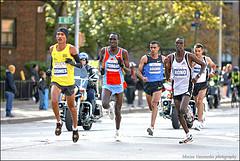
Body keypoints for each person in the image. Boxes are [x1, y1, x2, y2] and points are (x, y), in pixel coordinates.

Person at [164, 37, 206, 144]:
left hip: (187, 87)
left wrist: (197, 77)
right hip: (176, 88)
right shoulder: (171, 57)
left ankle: (189, 112)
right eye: (177, 43)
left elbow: (203, 65)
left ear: (183, 44)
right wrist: (166, 66)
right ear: (175, 44)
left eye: (181, 43)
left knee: (182, 110)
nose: (179, 45)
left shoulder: (189, 56)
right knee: (179, 114)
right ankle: (188, 135)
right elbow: (167, 77)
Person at [47, 27, 82, 143]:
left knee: (71, 107)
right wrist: (49, 69)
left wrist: (72, 63)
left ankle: (75, 129)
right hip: (56, 80)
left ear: (66, 37)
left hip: (68, 82)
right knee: (53, 100)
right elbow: (52, 62)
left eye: (62, 34)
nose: (59, 36)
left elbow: (80, 65)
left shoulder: (71, 49)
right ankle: (59, 122)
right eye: (58, 34)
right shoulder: (52, 49)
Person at [99, 32, 130, 141]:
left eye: (114, 39)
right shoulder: (104, 51)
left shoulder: (123, 53)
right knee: (104, 103)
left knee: (118, 110)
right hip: (107, 82)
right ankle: (109, 108)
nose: (112, 41)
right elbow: (100, 64)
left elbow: (129, 71)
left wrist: (121, 65)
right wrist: (101, 70)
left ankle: (117, 131)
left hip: (119, 83)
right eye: (110, 39)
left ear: (118, 41)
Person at [138, 40, 165, 136]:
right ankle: (157, 108)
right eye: (151, 48)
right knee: (151, 107)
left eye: (154, 47)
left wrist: (168, 76)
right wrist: (142, 77)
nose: (153, 49)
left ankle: (151, 127)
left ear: (158, 48)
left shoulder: (162, 58)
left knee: (154, 104)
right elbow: (139, 71)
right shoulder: (145, 58)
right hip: (148, 85)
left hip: (158, 84)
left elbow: (169, 68)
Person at [192, 43, 216, 130]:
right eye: (196, 51)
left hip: (203, 83)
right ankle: (202, 114)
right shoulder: (192, 59)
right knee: (197, 103)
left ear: (202, 51)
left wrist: (212, 72)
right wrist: (192, 65)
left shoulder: (206, 59)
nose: (197, 53)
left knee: (199, 100)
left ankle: (200, 122)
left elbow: (213, 66)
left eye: (199, 51)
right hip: (194, 84)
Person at [75, 52, 98, 117]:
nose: (82, 61)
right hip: (77, 87)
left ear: (86, 61)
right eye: (80, 60)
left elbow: (95, 75)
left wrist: (94, 78)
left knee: (91, 94)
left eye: (84, 60)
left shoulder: (90, 69)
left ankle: (92, 113)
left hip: (87, 88)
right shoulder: (75, 68)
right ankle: (65, 109)